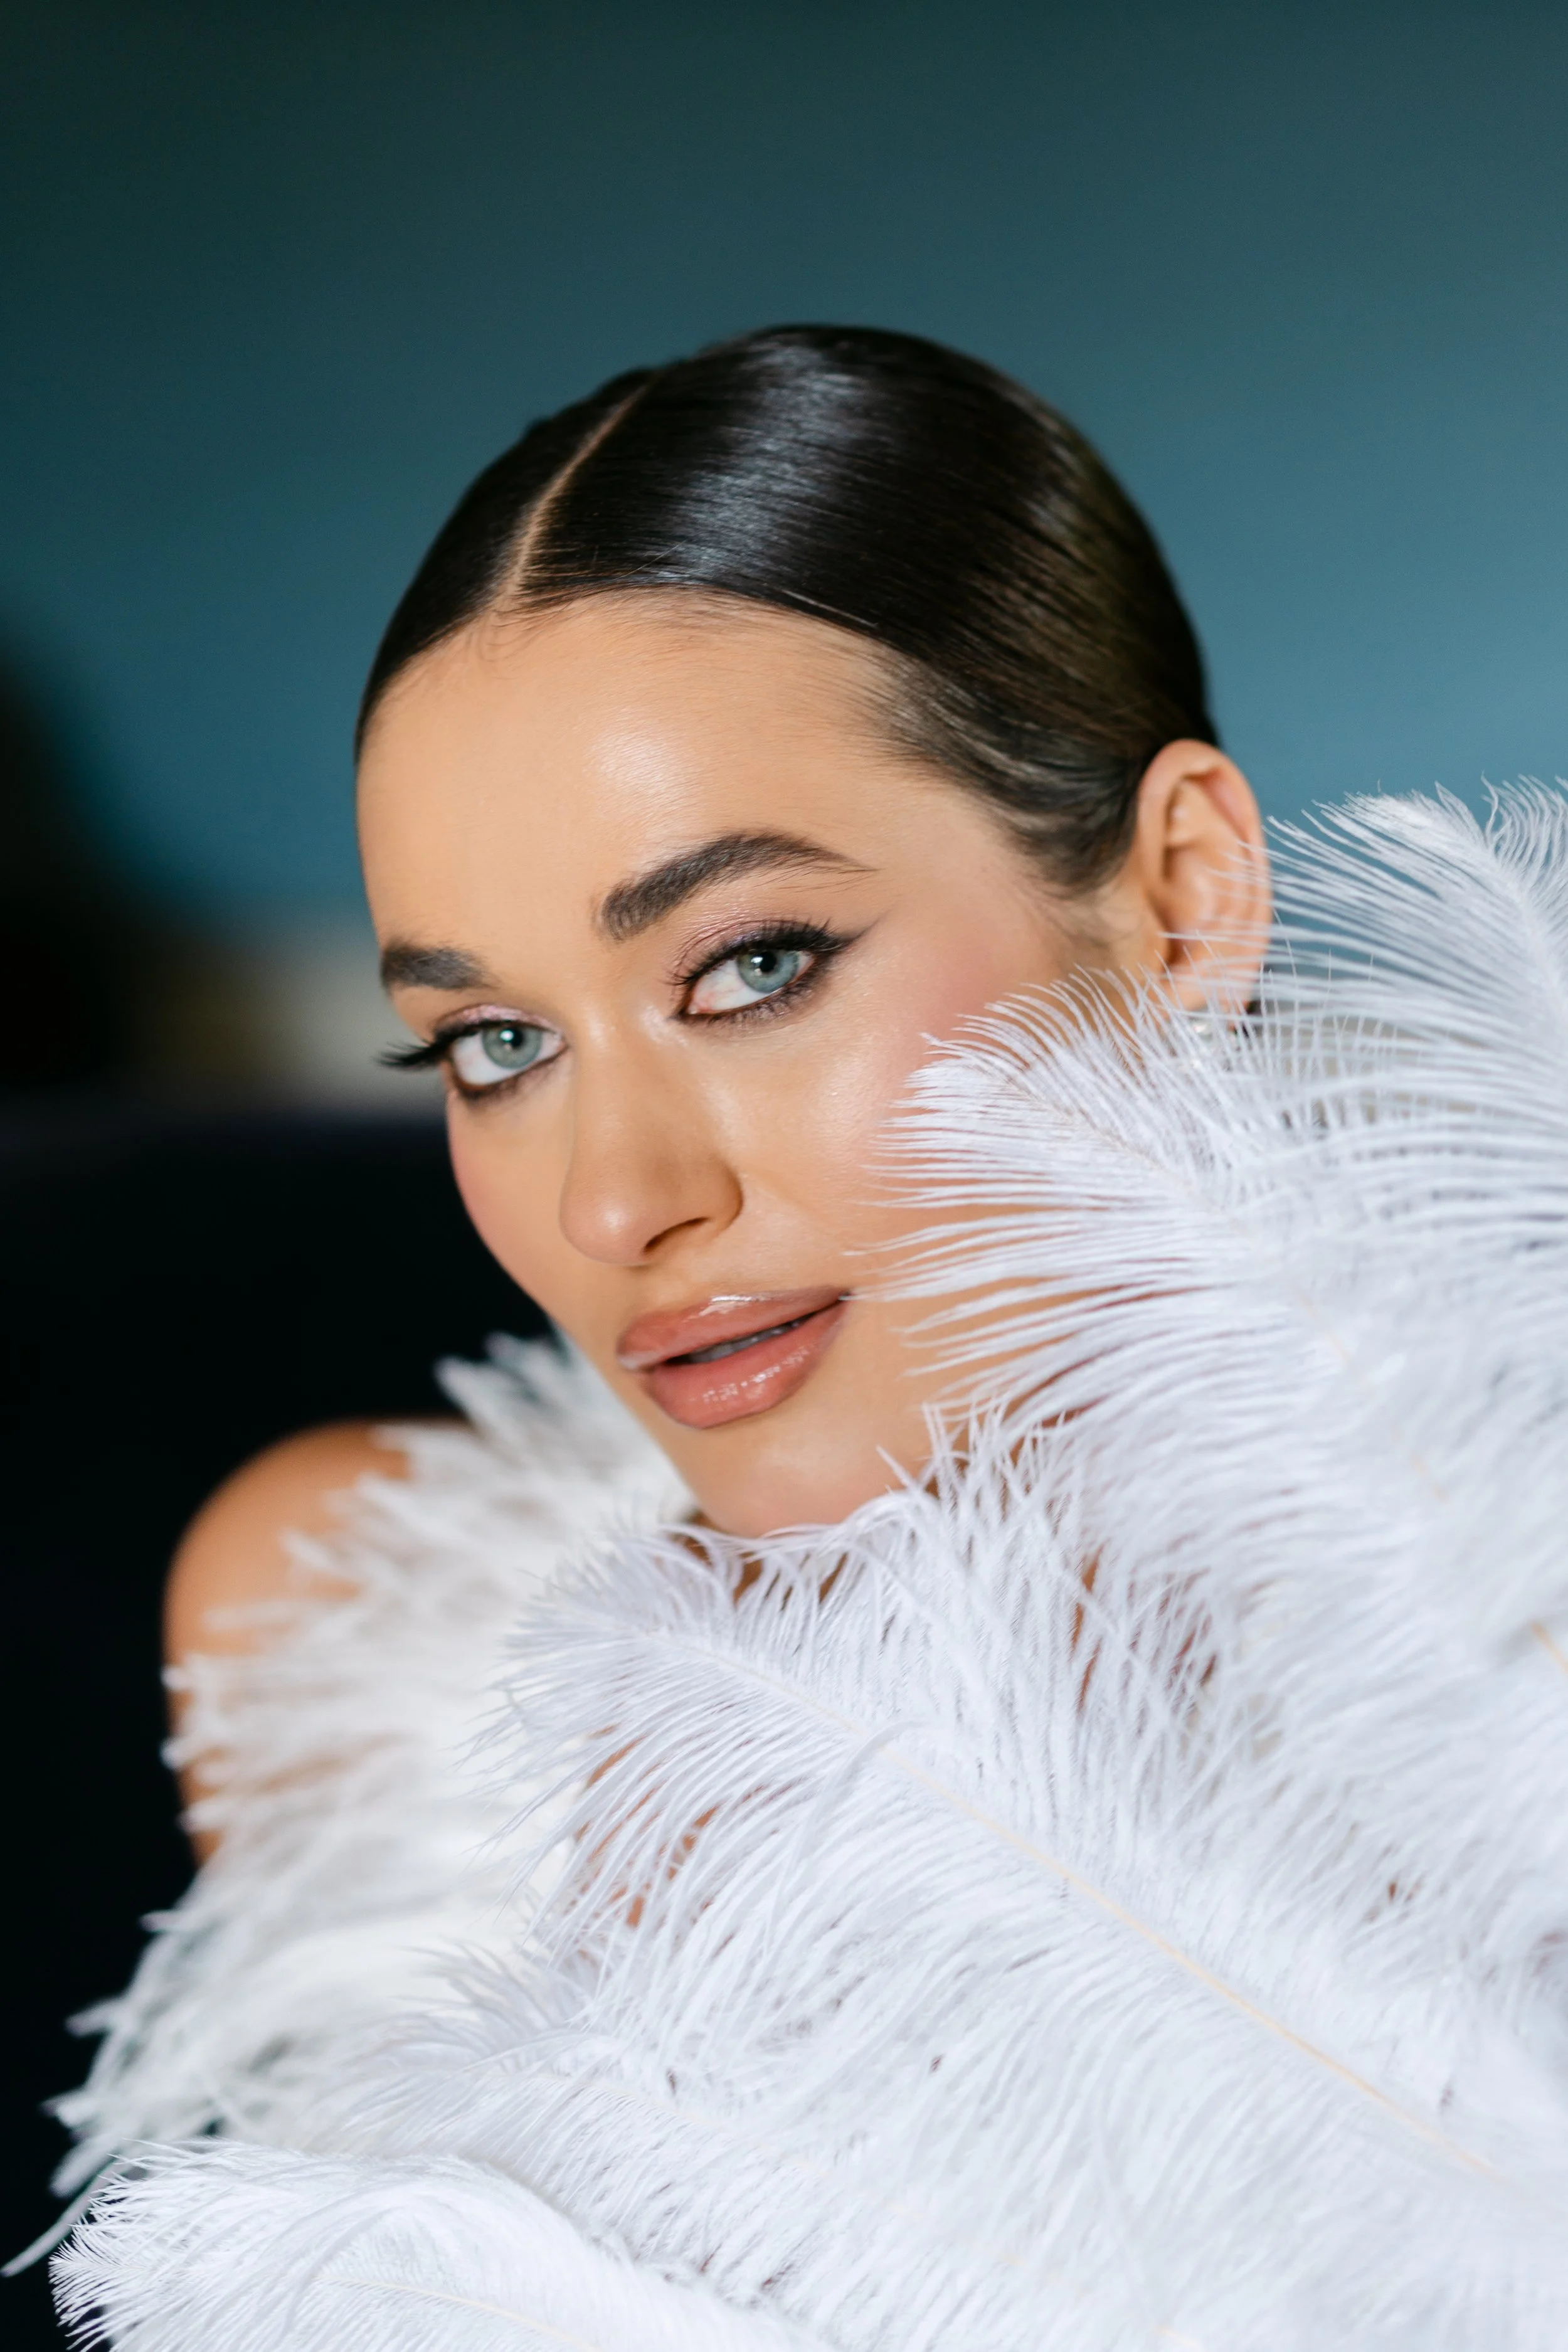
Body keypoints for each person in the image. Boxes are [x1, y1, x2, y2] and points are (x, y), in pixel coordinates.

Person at [50, 329, 1568, 2348]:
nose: (613, 1204)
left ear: (1182, 902)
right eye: (493, 1045)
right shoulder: (349, 1632)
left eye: (752, 964)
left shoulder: (1502, 1599)